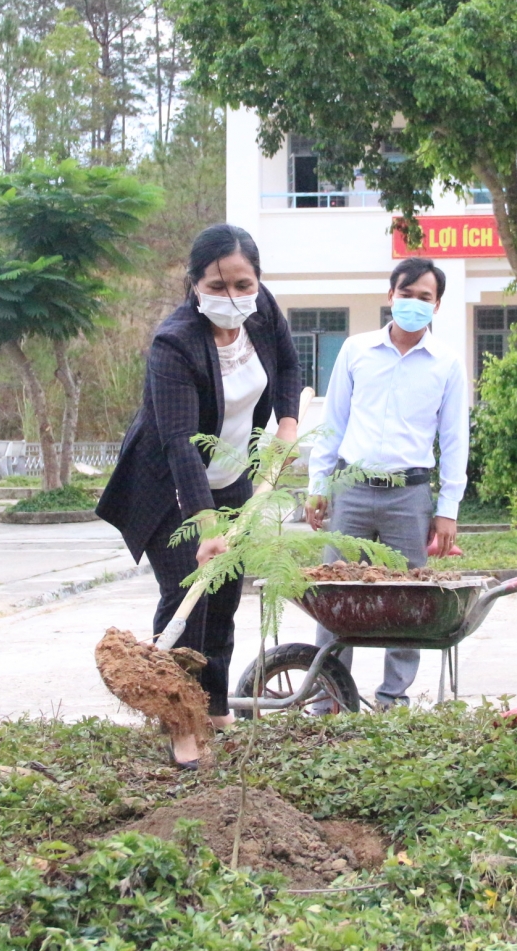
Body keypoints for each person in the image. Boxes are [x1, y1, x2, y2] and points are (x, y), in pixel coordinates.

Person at [96, 224, 301, 769]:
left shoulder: (260, 309)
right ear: (194, 283)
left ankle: (213, 709)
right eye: (217, 284)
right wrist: (206, 528)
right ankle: (179, 725)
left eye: (242, 283)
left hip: (232, 476)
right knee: (187, 597)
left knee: (227, 596)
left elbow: (287, 366)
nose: (232, 296)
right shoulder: (175, 342)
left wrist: (286, 423)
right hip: (168, 489)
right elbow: (179, 445)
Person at [305, 257, 469, 709]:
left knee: (408, 598)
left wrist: (448, 509)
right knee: (336, 595)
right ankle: (329, 696)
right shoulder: (356, 351)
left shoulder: (447, 364)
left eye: (425, 297)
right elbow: (332, 422)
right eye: (406, 293)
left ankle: (393, 697)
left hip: (409, 496)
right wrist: (318, 486)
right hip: (351, 491)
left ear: (437, 306)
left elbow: (455, 441)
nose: (414, 303)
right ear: (390, 295)